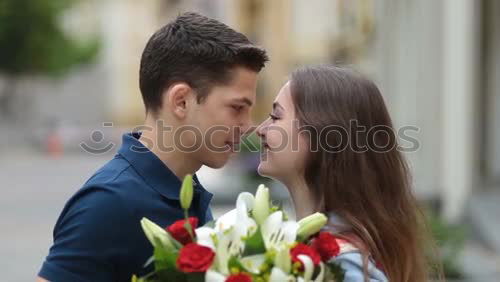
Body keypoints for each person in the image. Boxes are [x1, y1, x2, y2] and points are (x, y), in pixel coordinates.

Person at [37, 12, 268, 282]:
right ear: (181, 101)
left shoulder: (186, 189)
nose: (248, 125)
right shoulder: (107, 203)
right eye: (237, 108)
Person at [257, 65, 441, 281]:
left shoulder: (342, 263)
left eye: (275, 117)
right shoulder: (339, 250)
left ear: (325, 135)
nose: (260, 129)